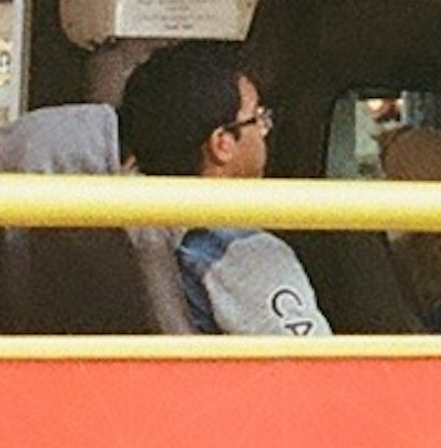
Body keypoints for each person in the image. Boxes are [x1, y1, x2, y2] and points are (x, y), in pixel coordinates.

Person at [117, 38, 332, 337]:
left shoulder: (120, 221)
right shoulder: (246, 255)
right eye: (258, 118)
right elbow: (313, 376)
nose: (264, 131)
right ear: (223, 144)